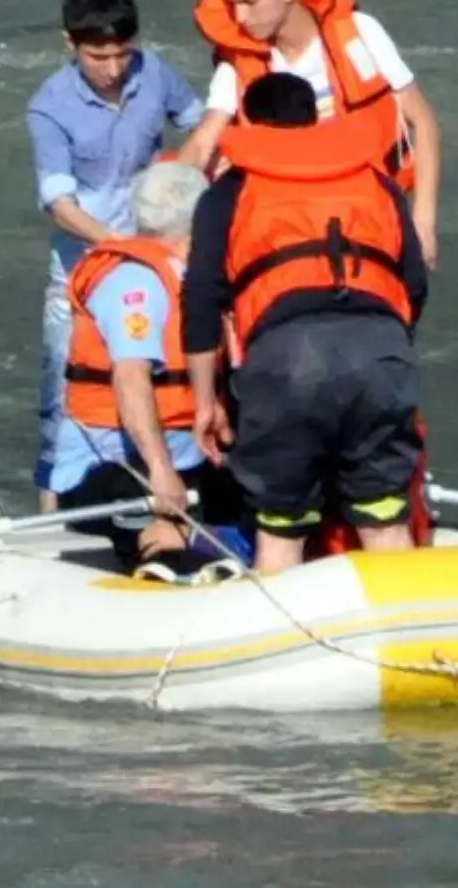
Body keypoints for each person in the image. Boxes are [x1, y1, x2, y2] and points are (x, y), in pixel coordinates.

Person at [182, 72, 429, 576]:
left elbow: (202, 301)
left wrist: (206, 403)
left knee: (281, 523)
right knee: (384, 516)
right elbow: (415, 283)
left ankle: (283, 634)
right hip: (380, 350)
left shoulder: (230, 190)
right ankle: (414, 642)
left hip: (286, 359)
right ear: (316, 120)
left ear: (249, 124)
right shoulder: (375, 179)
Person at [26, 0, 204, 510]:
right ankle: (52, 521)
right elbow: (60, 204)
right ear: (70, 44)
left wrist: (180, 187)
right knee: (63, 396)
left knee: (174, 378)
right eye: (98, 57)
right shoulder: (49, 108)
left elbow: (204, 125)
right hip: (85, 266)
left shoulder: (155, 75)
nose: (112, 69)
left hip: (162, 255)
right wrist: (120, 247)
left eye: (122, 55)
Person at [177, 0, 442, 270]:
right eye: (233, 4)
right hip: (286, 232)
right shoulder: (240, 64)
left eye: (250, 2)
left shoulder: (360, 33)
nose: (240, 17)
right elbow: (201, 145)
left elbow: (423, 122)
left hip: (369, 220)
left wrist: (422, 223)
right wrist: (168, 216)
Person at [53, 161, 249, 577]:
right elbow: (130, 377)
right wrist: (161, 473)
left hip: (190, 457)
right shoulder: (135, 283)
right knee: (149, 508)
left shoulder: (194, 280)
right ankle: (159, 563)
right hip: (111, 467)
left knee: (262, 492)